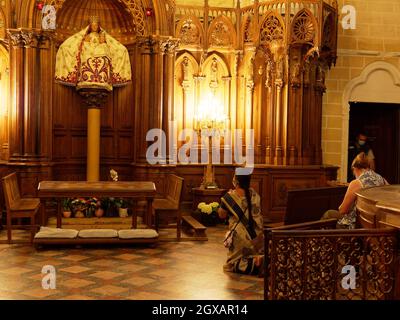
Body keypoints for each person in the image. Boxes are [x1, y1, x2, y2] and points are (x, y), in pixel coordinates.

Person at [55, 16, 132, 92]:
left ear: (98, 26)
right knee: (87, 59)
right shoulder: (87, 36)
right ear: (90, 27)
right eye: (93, 25)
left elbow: (108, 47)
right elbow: (85, 47)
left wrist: (103, 45)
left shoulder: (102, 36)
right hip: (89, 54)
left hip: (100, 54)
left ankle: (103, 80)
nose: (94, 27)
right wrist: (88, 46)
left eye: (96, 25)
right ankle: (85, 79)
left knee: (103, 60)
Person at [322, 152, 388, 229]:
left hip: (357, 223)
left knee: (329, 214)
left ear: (355, 168)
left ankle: (317, 239)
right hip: (375, 221)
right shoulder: (382, 179)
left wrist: (341, 207)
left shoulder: (357, 183)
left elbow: (343, 210)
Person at [218, 174, 264, 275]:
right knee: (257, 252)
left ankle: (254, 265)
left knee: (230, 265)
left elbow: (221, 215)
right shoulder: (255, 194)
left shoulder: (229, 197)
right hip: (258, 237)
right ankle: (258, 259)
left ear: (237, 181)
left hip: (241, 238)